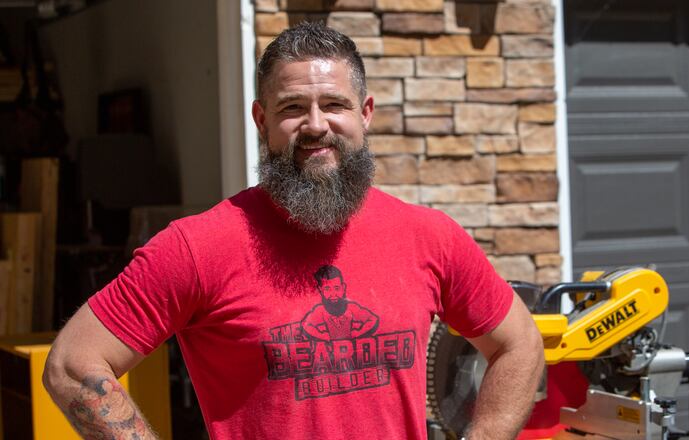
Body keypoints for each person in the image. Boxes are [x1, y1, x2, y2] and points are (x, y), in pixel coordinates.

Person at [43, 21, 544, 440]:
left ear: (364, 114)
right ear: (261, 121)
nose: (315, 124)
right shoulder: (198, 246)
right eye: (291, 108)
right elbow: (73, 364)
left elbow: (518, 343)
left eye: (334, 104)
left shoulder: (427, 235)